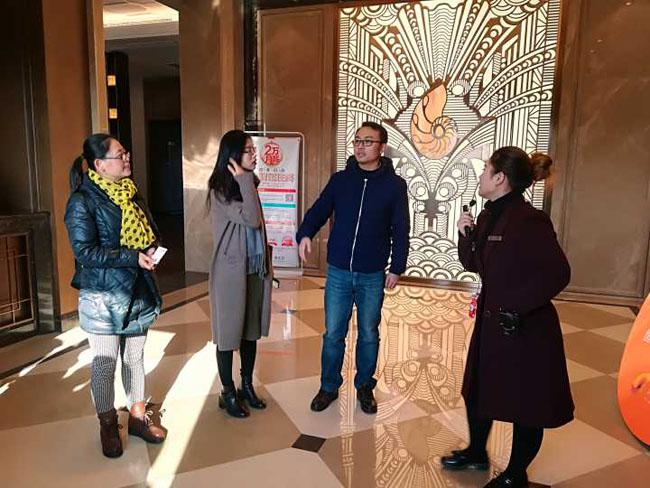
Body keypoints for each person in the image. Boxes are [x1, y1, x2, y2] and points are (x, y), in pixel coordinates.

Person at [441, 147, 573, 488]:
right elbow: (474, 263)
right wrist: (465, 234)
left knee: (526, 403)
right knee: (477, 389)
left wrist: (517, 307)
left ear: (500, 178)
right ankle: (476, 452)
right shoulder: (488, 216)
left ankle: (516, 474)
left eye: (485, 169)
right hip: (492, 322)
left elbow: (558, 273)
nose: (481, 175)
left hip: (525, 328)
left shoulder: (529, 221)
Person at [296, 121, 410, 414]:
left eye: (367, 141)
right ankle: (328, 386)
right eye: (357, 141)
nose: (360, 146)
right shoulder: (341, 180)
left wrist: (396, 266)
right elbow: (319, 210)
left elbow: (401, 229)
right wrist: (305, 233)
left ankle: (364, 387)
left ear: (382, 147)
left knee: (369, 333)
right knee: (333, 333)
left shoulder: (395, 186)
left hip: (372, 273)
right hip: (338, 271)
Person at [65, 133, 167, 458]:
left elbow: (150, 230)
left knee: (134, 358)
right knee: (104, 364)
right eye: (120, 155)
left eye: (126, 153)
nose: (127, 159)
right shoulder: (82, 201)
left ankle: (137, 417)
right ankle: (108, 424)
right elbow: (85, 252)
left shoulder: (131, 192)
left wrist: (150, 249)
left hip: (138, 291)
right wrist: (131, 256)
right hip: (103, 298)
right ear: (99, 164)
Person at [207, 130, 273, 418]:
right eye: (248, 150)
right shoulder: (220, 189)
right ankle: (228, 392)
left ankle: (246, 385)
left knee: (250, 332)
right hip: (230, 273)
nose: (254, 154)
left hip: (254, 269)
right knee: (227, 334)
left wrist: (247, 181)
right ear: (233, 156)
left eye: (253, 149)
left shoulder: (248, 184)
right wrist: (245, 180)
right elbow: (252, 219)